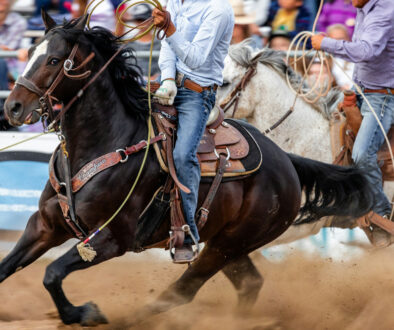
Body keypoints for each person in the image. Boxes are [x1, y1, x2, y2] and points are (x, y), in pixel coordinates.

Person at [152, 0, 234, 263]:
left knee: (182, 155)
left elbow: (196, 59)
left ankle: (188, 232)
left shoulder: (218, 9)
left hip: (198, 95)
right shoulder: (172, 1)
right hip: (170, 84)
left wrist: (171, 28)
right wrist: (166, 77)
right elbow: (166, 45)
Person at [312, 0, 394, 246]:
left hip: (383, 97)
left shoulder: (386, 9)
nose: (347, 0)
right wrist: (354, 92)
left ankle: (381, 211)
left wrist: (325, 43)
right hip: (366, 92)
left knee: (361, 153)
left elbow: (366, 51)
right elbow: (365, 60)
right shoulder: (364, 9)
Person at [124, 4, 161, 79]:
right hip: (134, 84)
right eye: (139, 20)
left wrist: (156, 77)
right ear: (135, 21)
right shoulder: (127, 43)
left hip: (156, 84)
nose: (142, 23)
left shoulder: (161, 43)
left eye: (145, 20)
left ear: (152, 20)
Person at [326, 23, 354, 90]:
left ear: (349, 39)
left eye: (341, 39)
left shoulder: (356, 59)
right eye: (334, 40)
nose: (338, 43)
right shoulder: (322, 60)